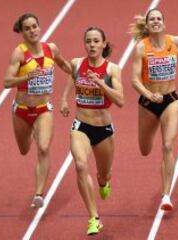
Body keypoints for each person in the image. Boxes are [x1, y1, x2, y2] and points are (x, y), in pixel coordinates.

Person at [130, 9, 178, 211]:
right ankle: (164, 188)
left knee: (167, 146)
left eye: (159, 19)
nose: (156, 22)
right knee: (145, 150)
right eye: (152, 19)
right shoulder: (141, 48)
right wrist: (149, 95)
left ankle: (166, 195)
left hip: (170, 100)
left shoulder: (175, 41)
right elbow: (134, 80)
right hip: (148, 103)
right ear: (147, 26)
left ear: (164, 23)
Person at [60, 27, 124, 235]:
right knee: (80, 165)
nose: (92, 45)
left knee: (103, 175)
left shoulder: (112, 69)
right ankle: (93, 217)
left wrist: (100, 83)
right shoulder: (77, 63)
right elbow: (72, 77)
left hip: (104, 129)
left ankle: (104, 182)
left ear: (104, 44)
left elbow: (120, 101)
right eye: (88, 41)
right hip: (81, 126)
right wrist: (63, 99)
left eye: (96, 41)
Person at [4, 13, 71, 208]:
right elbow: (7, 82)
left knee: (43, 148)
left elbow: (65, 66)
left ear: (40, 27)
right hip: (22, 110)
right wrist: (26, 77)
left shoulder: (51, 49)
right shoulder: (19, 53)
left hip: (44, 109)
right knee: (24, 150)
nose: (32, 30)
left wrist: (81, 72)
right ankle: (32, 131)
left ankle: (38, 193)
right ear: (22, 33)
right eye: (28, 28)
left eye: (35, 26)